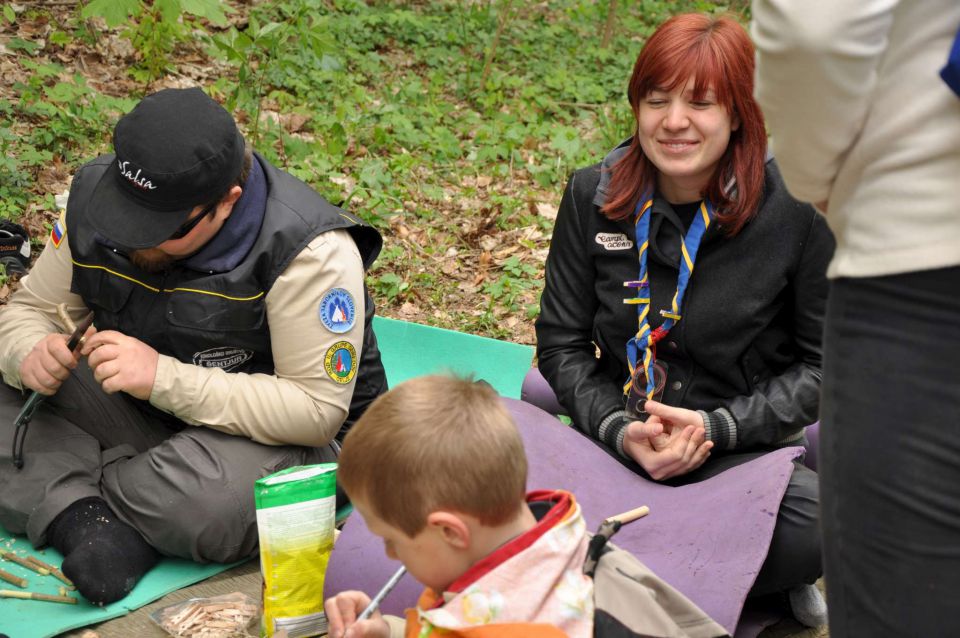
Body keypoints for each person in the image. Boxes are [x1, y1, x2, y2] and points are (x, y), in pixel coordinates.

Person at [0, 87, 388, 605]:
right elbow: (30, 311)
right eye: (129, 218)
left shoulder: (306, 250)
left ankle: (77, 489)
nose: (139, 242)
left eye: (163, 229)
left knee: (207, 506)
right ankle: (89, 517)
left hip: (281, 440)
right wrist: (28, 350)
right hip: (144, 410)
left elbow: (316, 412)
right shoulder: (95, 197)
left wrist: (162, 378)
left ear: (227, 200)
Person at [534, 13, 835, 627]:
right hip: (622, 438)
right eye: (656, 100)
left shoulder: (800, 208)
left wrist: (717, 427)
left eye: (700, 103)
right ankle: (729, 571)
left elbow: (826, 367)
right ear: (636, 107)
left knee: (832, 522)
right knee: (489, 450)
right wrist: (618, 429)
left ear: (739, 114)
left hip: (734, 448)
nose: (674, 121)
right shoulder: (591, 193)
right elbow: (561, 345)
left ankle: (623, 563)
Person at [752, 1, 960, 635]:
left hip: (922, 254)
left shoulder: (783, 219)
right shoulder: (599, 191)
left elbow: (817, 26)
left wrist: (816, 178)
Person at [324, 375, 727, 638]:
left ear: (450, 531)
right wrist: (389, 632)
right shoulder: (571, 547)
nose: (390, 554)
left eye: (392, 540)